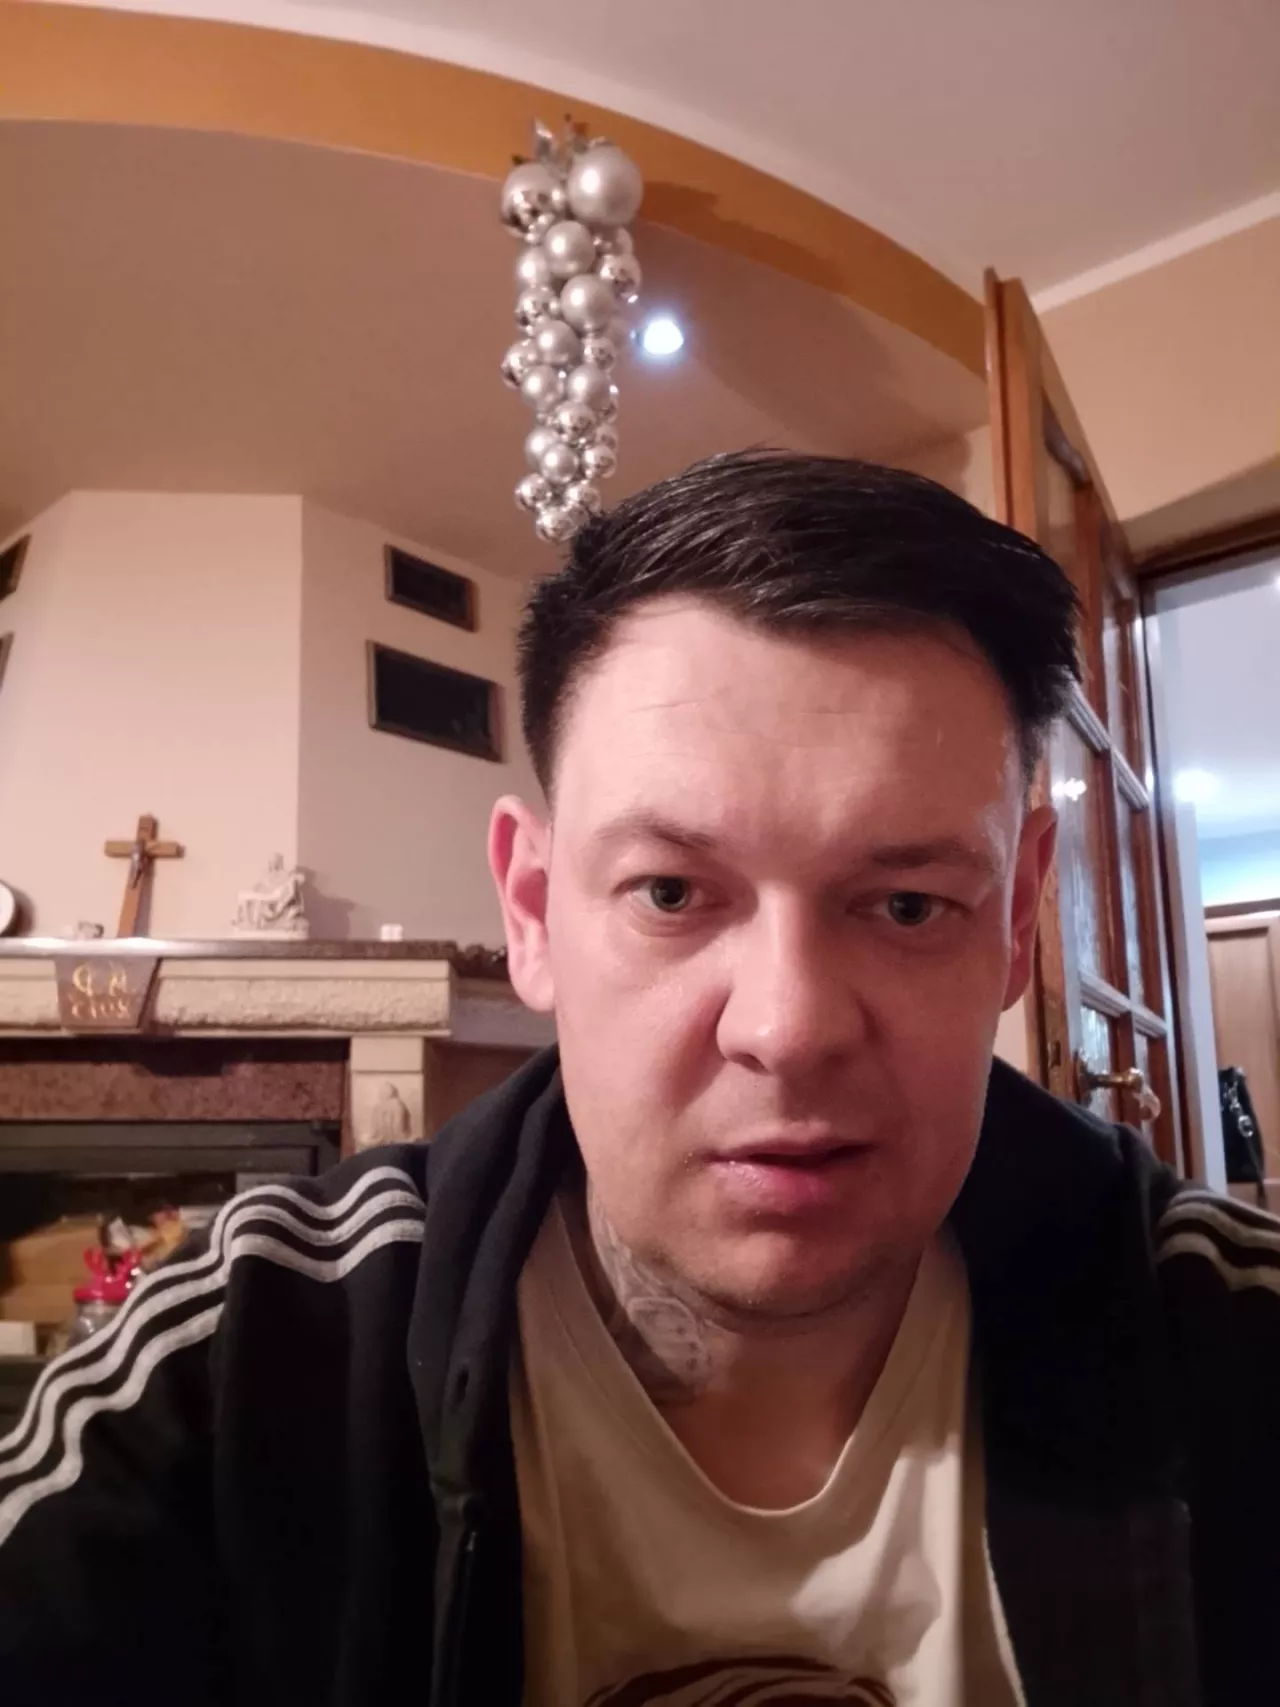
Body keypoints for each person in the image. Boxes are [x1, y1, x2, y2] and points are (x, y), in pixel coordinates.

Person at [1, 451, 1276, 1706]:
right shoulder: (241, 1369)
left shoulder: (1231, 1346)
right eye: (669, 892)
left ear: (1014, 921)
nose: (786, 1029)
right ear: (532, 910)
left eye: (904, 904)